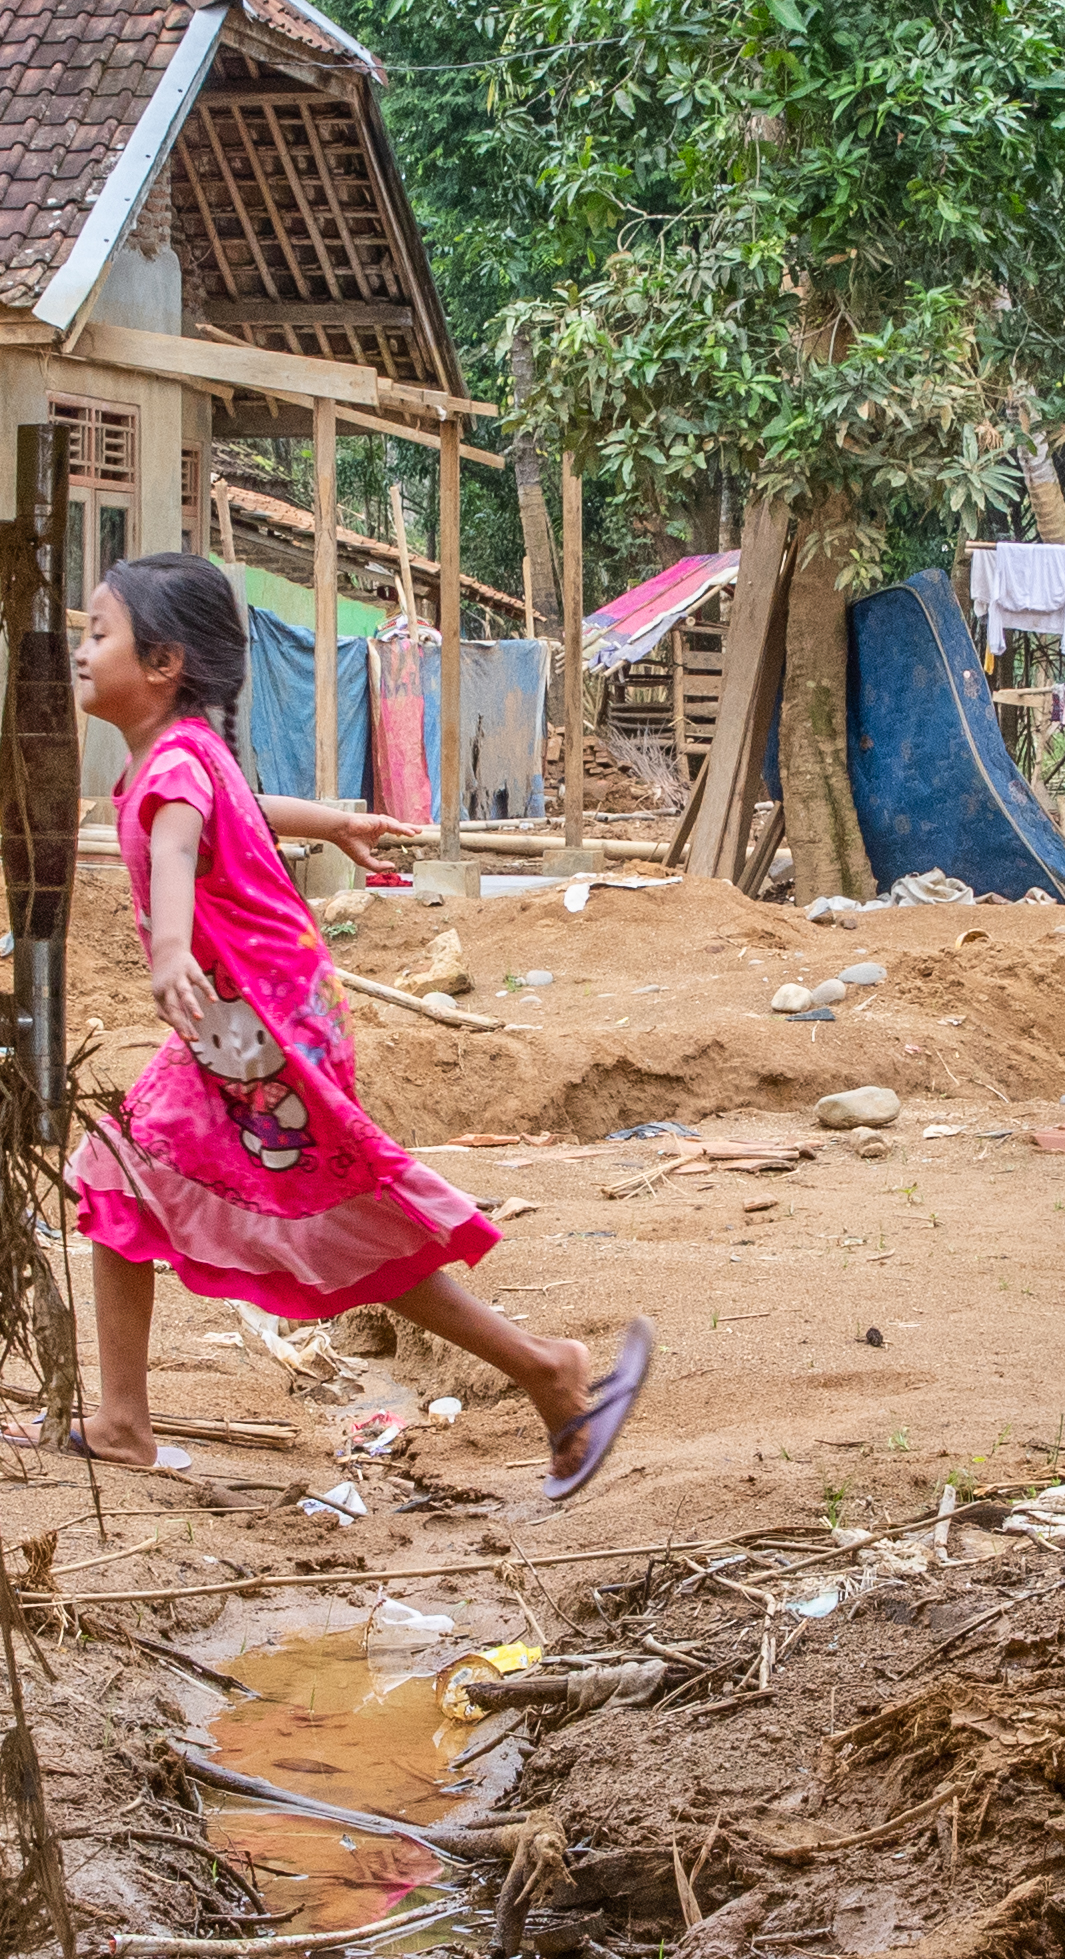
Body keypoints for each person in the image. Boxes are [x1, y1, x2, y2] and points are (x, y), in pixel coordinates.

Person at [59, 552, 652, 1501]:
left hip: (256, 1030)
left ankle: (548, 1368)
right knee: (157, 1180)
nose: (81, 652)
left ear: (164, 661)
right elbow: (239, 811)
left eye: (100, 634)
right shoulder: (189, 756)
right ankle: (126, 1419)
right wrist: (333, 822)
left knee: (251, 1199)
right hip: (254, 1023)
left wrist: (170, 949)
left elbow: (177, 846)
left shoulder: (172, 766)